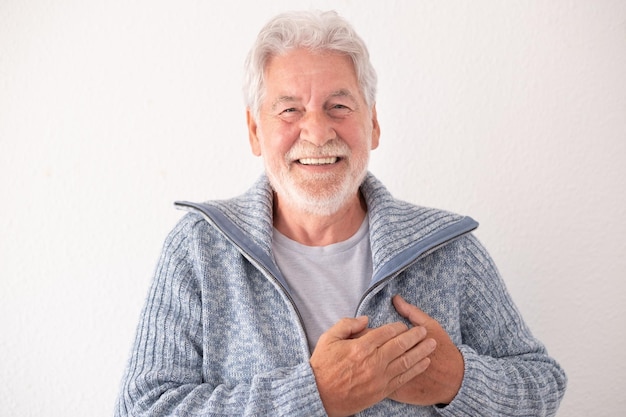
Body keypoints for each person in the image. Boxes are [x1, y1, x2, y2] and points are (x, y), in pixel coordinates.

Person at [115, 10, 567, 417]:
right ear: (255, 131)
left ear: (372, 123)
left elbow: (543, 385)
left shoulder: (449, 249)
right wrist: (315, 395)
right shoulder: (199, 248)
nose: (316, 132)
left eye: (339, 106)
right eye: (290, 109)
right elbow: (140, 410)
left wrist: (457, 382)